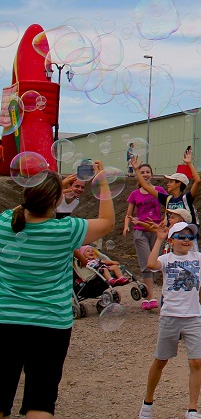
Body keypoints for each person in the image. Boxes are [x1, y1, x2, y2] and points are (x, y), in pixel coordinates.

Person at [0, 164, 115, 419]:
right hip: (50, 326)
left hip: (5, 321)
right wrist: (103, 183)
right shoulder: (66, 230)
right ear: (55, 200)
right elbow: (107, 222)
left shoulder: (6, 222)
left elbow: (26, 207)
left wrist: (52, 190)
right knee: (40, 403)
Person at [139, 221, 201, 419]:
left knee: (196, 362)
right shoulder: (166, 259)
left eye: (190, 237)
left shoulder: (198, 258)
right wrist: (159, 239)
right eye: (182, 237)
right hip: (170, 317)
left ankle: (192, 409)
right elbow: (150, 264)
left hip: (192, 318)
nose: (187, 240)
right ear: (171, 241)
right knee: (160, 361)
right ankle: (147, 403)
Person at [125, 158, 168, 310]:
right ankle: (149, 297)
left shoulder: (160, 191)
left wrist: (164, 221)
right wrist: (126, 226)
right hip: (140, 230)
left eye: (147, 172)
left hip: (156, 230)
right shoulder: (135, 194)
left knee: (154, 262)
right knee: (146, 262)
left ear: (152, 174)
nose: (145, 174)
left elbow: (168, 209)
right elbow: (129, 214)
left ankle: (150, 293)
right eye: (142, 172)